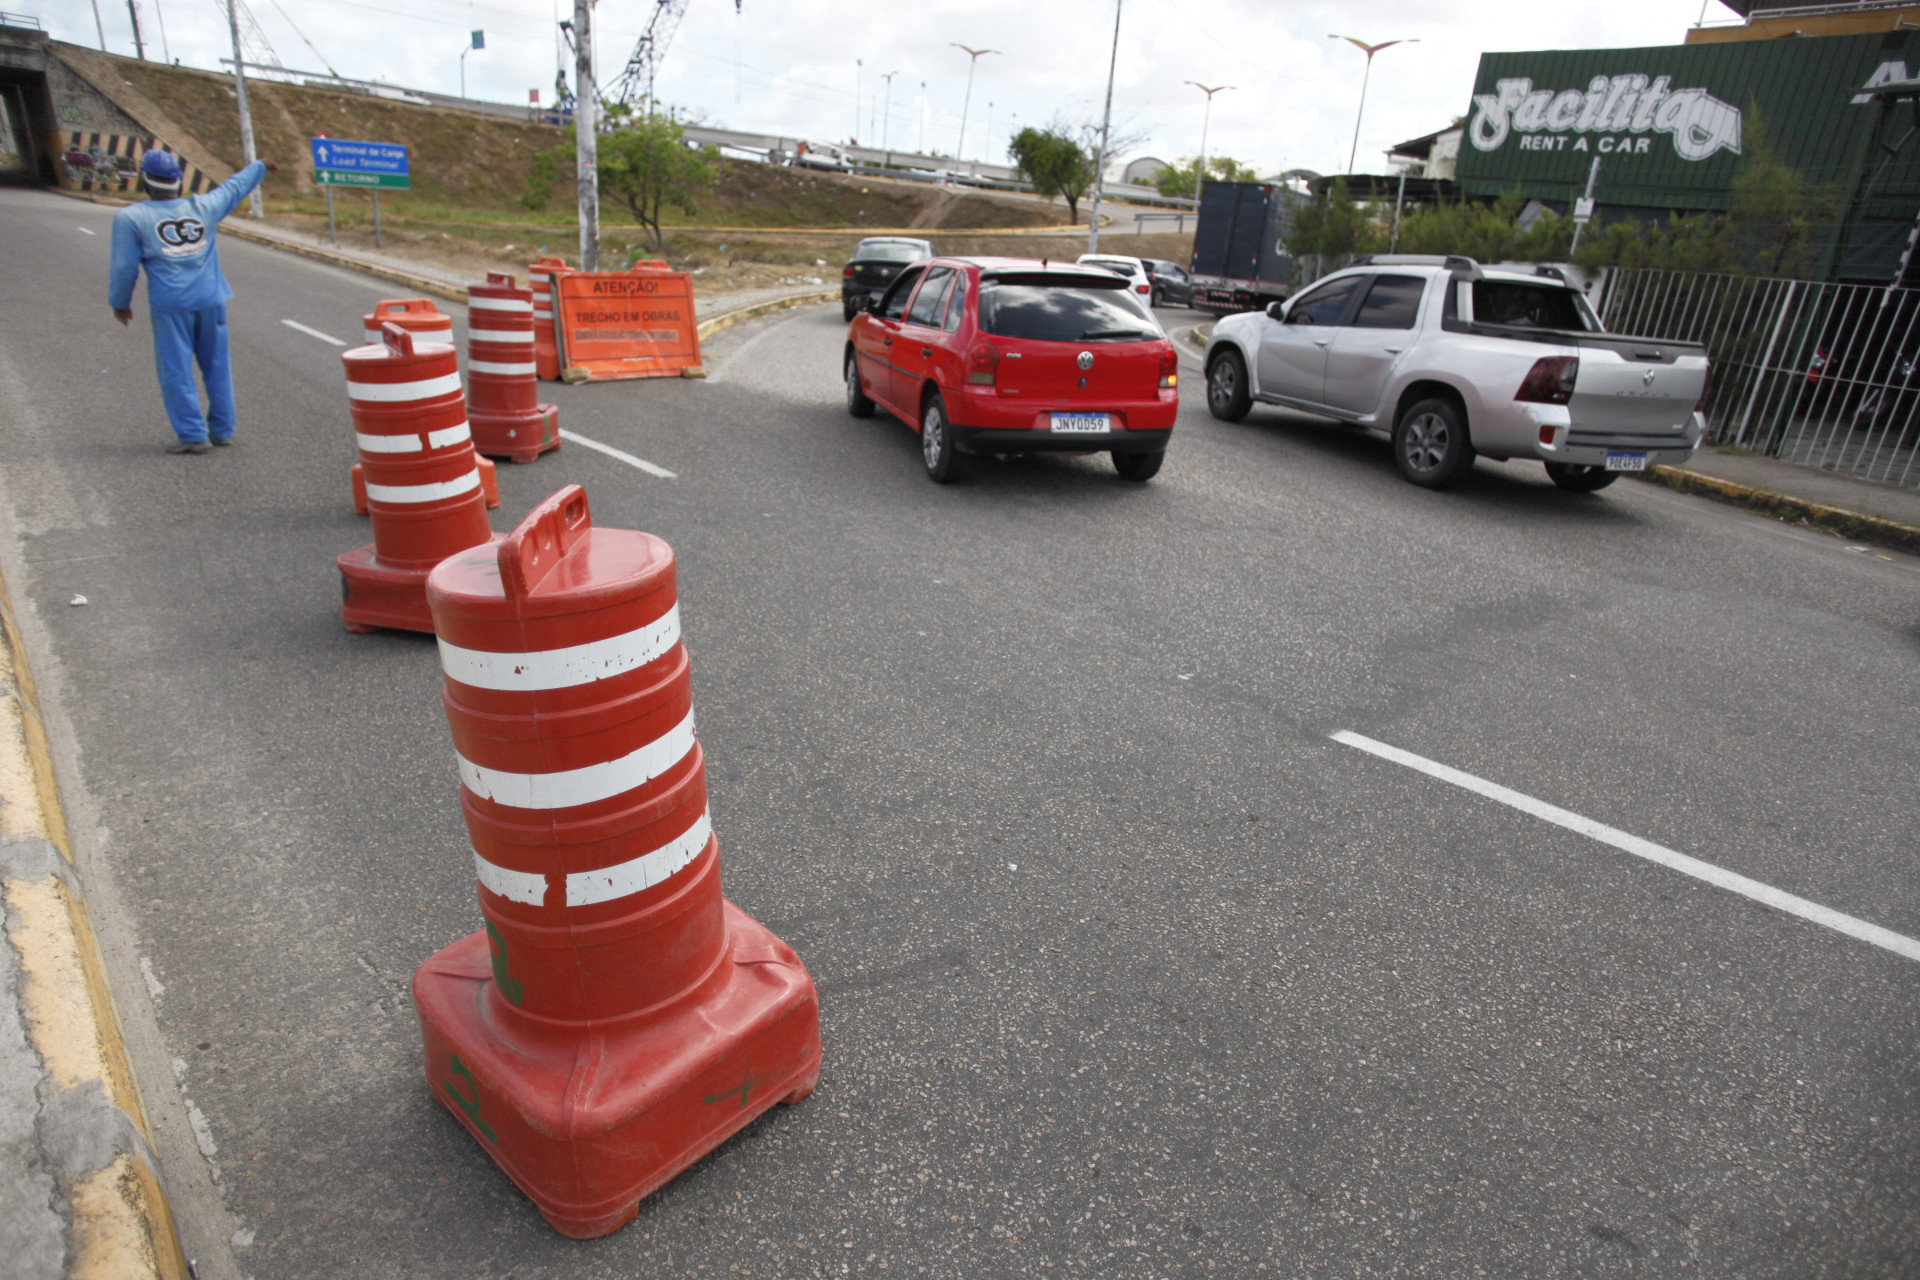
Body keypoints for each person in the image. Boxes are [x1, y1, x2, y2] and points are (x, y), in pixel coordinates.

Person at [108, 150, 274, 454]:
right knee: (217, 366)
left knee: (176, 369)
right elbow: (234, 187)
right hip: (211, 300)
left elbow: (123, 268)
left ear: (144, 180)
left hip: (171, 306)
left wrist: (120, 302)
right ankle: (222, 431)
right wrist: (260, 166)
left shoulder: (132, 218)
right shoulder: (204, 207)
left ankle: (193, 435)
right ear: (178, 181)